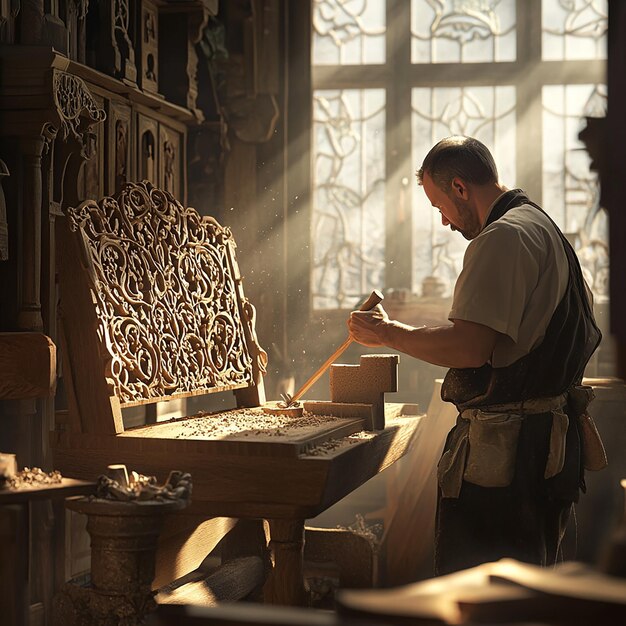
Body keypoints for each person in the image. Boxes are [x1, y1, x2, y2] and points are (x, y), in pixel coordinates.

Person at [347, 135, 604, 575]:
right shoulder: (540, 225)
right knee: (530, 590)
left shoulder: (502, 238)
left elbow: (467, 348)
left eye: (439, 205)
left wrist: (388, 332)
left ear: (460, 188)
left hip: (510, 457)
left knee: (483, 593)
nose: (445, 222)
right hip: (545, 446)